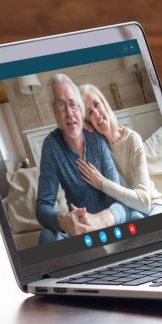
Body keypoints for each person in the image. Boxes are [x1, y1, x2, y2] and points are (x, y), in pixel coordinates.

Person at [35, 73, 130, 244]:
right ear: (54, 111)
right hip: (80, 232)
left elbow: (120, 198)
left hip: (109, 224)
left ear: (79, 107)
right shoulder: (51, 146)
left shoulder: (96, 135)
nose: (69, 113)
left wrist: (100, 219)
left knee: (135, 215)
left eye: (73, 104)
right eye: (61, 105)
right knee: (47, 236)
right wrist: (65, 221)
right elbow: (42, 208)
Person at [77, 81, 162, 216]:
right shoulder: (98, 148)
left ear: (104, 104)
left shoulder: (132, 139)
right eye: (89, 113)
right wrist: (80, 125)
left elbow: (145, 202)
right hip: (128, 210)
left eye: (96, 105)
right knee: (135, 218)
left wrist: (102, 183)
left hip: (152, 204)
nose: (96, 114)